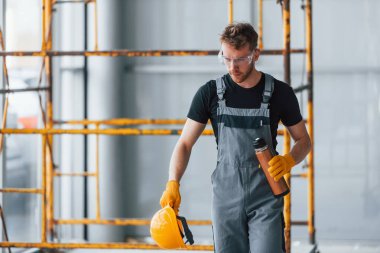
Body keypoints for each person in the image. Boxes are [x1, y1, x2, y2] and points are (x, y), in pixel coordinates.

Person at [159, 22, 311, 253]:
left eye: (240, 59)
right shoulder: (210, 93)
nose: (232, 67)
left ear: (255, 55)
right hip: (226, 198)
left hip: (266, 196)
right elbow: (185, 143)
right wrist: (172, 182)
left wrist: (290, 159)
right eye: (226, 58)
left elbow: (304, 141)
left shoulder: (280, 93)